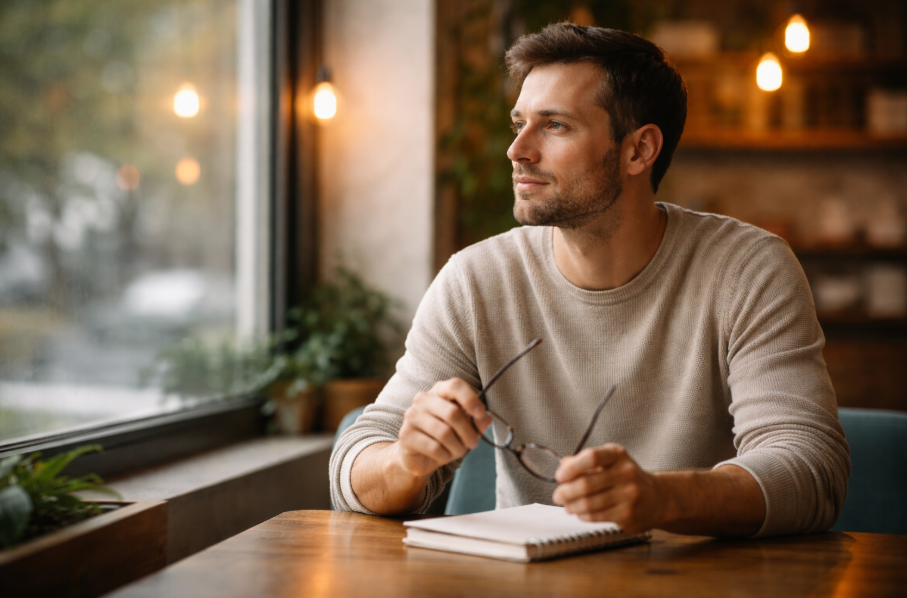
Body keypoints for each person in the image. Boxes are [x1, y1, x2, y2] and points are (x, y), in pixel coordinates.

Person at [330, 23, 850, 538]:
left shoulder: (748, 269)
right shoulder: (476, 279)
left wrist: (662, 499)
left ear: (638, 151)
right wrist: (405, 461)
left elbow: (810, 468)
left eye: (554, 125)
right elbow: (353, 467)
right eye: (520, 124)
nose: (518, 150)